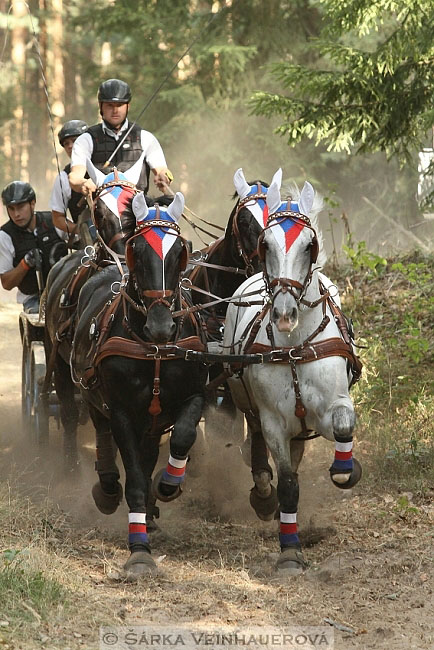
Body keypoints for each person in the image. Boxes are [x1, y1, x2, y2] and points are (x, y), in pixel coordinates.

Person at [69, 78, 173, 197]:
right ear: (101, 106)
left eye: (120, 105)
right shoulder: (85, 140)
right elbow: (75, 176)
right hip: (99, 208)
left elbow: (162, 170)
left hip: (139, 207)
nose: (115, 110)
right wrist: (82, 183)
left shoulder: (145, 138)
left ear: (128, 106)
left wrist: (164, 176)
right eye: (110, 105)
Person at [0, 181, 67, 313]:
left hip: (64, 291)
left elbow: (77, 240)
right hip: (33, 298)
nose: (16, 214)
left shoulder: (54, 221)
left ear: (32, 203)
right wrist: (25, 263)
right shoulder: (5, 236)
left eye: (20, 207)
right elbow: (6, 284)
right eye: (11, 209)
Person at [50, 119, 89, 239]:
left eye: (75, 140)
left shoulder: (106, 167)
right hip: (90, 242)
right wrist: (80, 230)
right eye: (66, 143)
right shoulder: (63, 178)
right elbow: (58, 218)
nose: (70, 146)